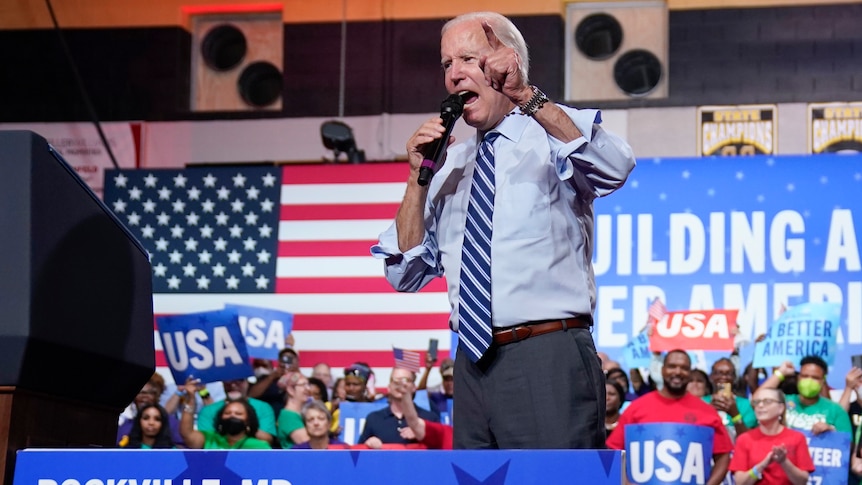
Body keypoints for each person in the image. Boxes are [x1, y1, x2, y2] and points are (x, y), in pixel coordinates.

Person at [371, 11, 635, 450]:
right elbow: (405, 273)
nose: (454, 75)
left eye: (468, 59)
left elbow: (614, 168)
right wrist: (417, 177)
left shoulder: (552, 135)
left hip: (548, 353)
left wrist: (527, 97)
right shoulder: (449, 163)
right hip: (471, 363)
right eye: (446, 65)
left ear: (508, 61)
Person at [606, 350, 733, 485]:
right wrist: (625, 482)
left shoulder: (707, 412)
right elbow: (613, 453)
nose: (677, 372)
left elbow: (724, 455)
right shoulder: (636, 409)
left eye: (684, 368)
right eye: (672, 366)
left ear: (690, 373)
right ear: (662, 370)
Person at [729, 388, 815, 485]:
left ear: (781, 408)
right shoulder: (745, 439)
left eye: (767, 401)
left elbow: (802, 481)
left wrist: (784, 461)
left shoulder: (797, 438)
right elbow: (740, 482)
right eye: (757, 402)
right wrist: (761, 466)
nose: (760, 405)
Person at [762, 356, 851, 434]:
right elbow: (758, 398)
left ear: (823, 381)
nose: (809, 381)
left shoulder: (836, 410)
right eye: (805, 376)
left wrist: (831, 431)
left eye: (815, 378)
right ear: (798, 377)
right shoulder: (783, 402)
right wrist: (780, 373)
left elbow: (847, 445)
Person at [359, 367, 439, 448]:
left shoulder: (430, 418)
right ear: (389, 387)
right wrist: (368, 444)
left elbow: (442, 452)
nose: (401, 385)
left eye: (405, 380)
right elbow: (357, 453)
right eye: (396, 381)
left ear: (414, 387)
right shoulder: (374, 419)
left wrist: (423, 435)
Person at [179, 383, 271, 450]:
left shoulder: (259, 447)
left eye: (238, 414)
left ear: (248, 421)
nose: (232, 416)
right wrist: (191, 398)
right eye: (227, 413)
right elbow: (187, 434)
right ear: (220, 418)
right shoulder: (210, 439)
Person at [196, 378, 277, 445]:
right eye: (229, 380)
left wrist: (239, 426)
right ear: (223, 383)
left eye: (240, 380)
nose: (233, 385)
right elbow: (204, 441)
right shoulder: (209, 410)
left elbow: (267, 439)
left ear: (247, 382)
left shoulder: (263, 407)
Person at [704, 358, 757, 441]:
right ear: (711, 376)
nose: (724, 377)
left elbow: (748, 440)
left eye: (728, 374)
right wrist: (708, 410)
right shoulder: (701, 402)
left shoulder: (746, 405)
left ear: (734, 377)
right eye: (719, 373)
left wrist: (735, 414)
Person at [276, 372, 312, 449]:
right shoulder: (289, 416)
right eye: (303, 385)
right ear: (290, 390)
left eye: (308, 384)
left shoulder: (298, 414)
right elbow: (307, 445)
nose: (308, 389)